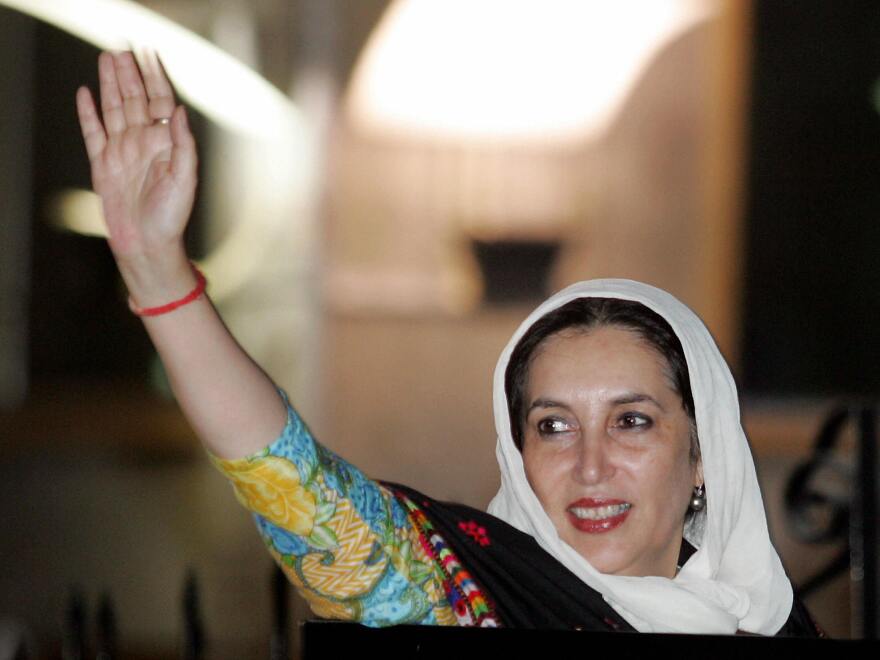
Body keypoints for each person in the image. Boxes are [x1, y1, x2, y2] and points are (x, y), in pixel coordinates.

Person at [76, 51, 821, 636]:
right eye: (553, 425)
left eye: (632, 421)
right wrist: (158, 272)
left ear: (702, 457)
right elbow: (301, 490)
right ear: (518, 455)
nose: (590, 466)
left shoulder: (770, 625)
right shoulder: (462, 596)